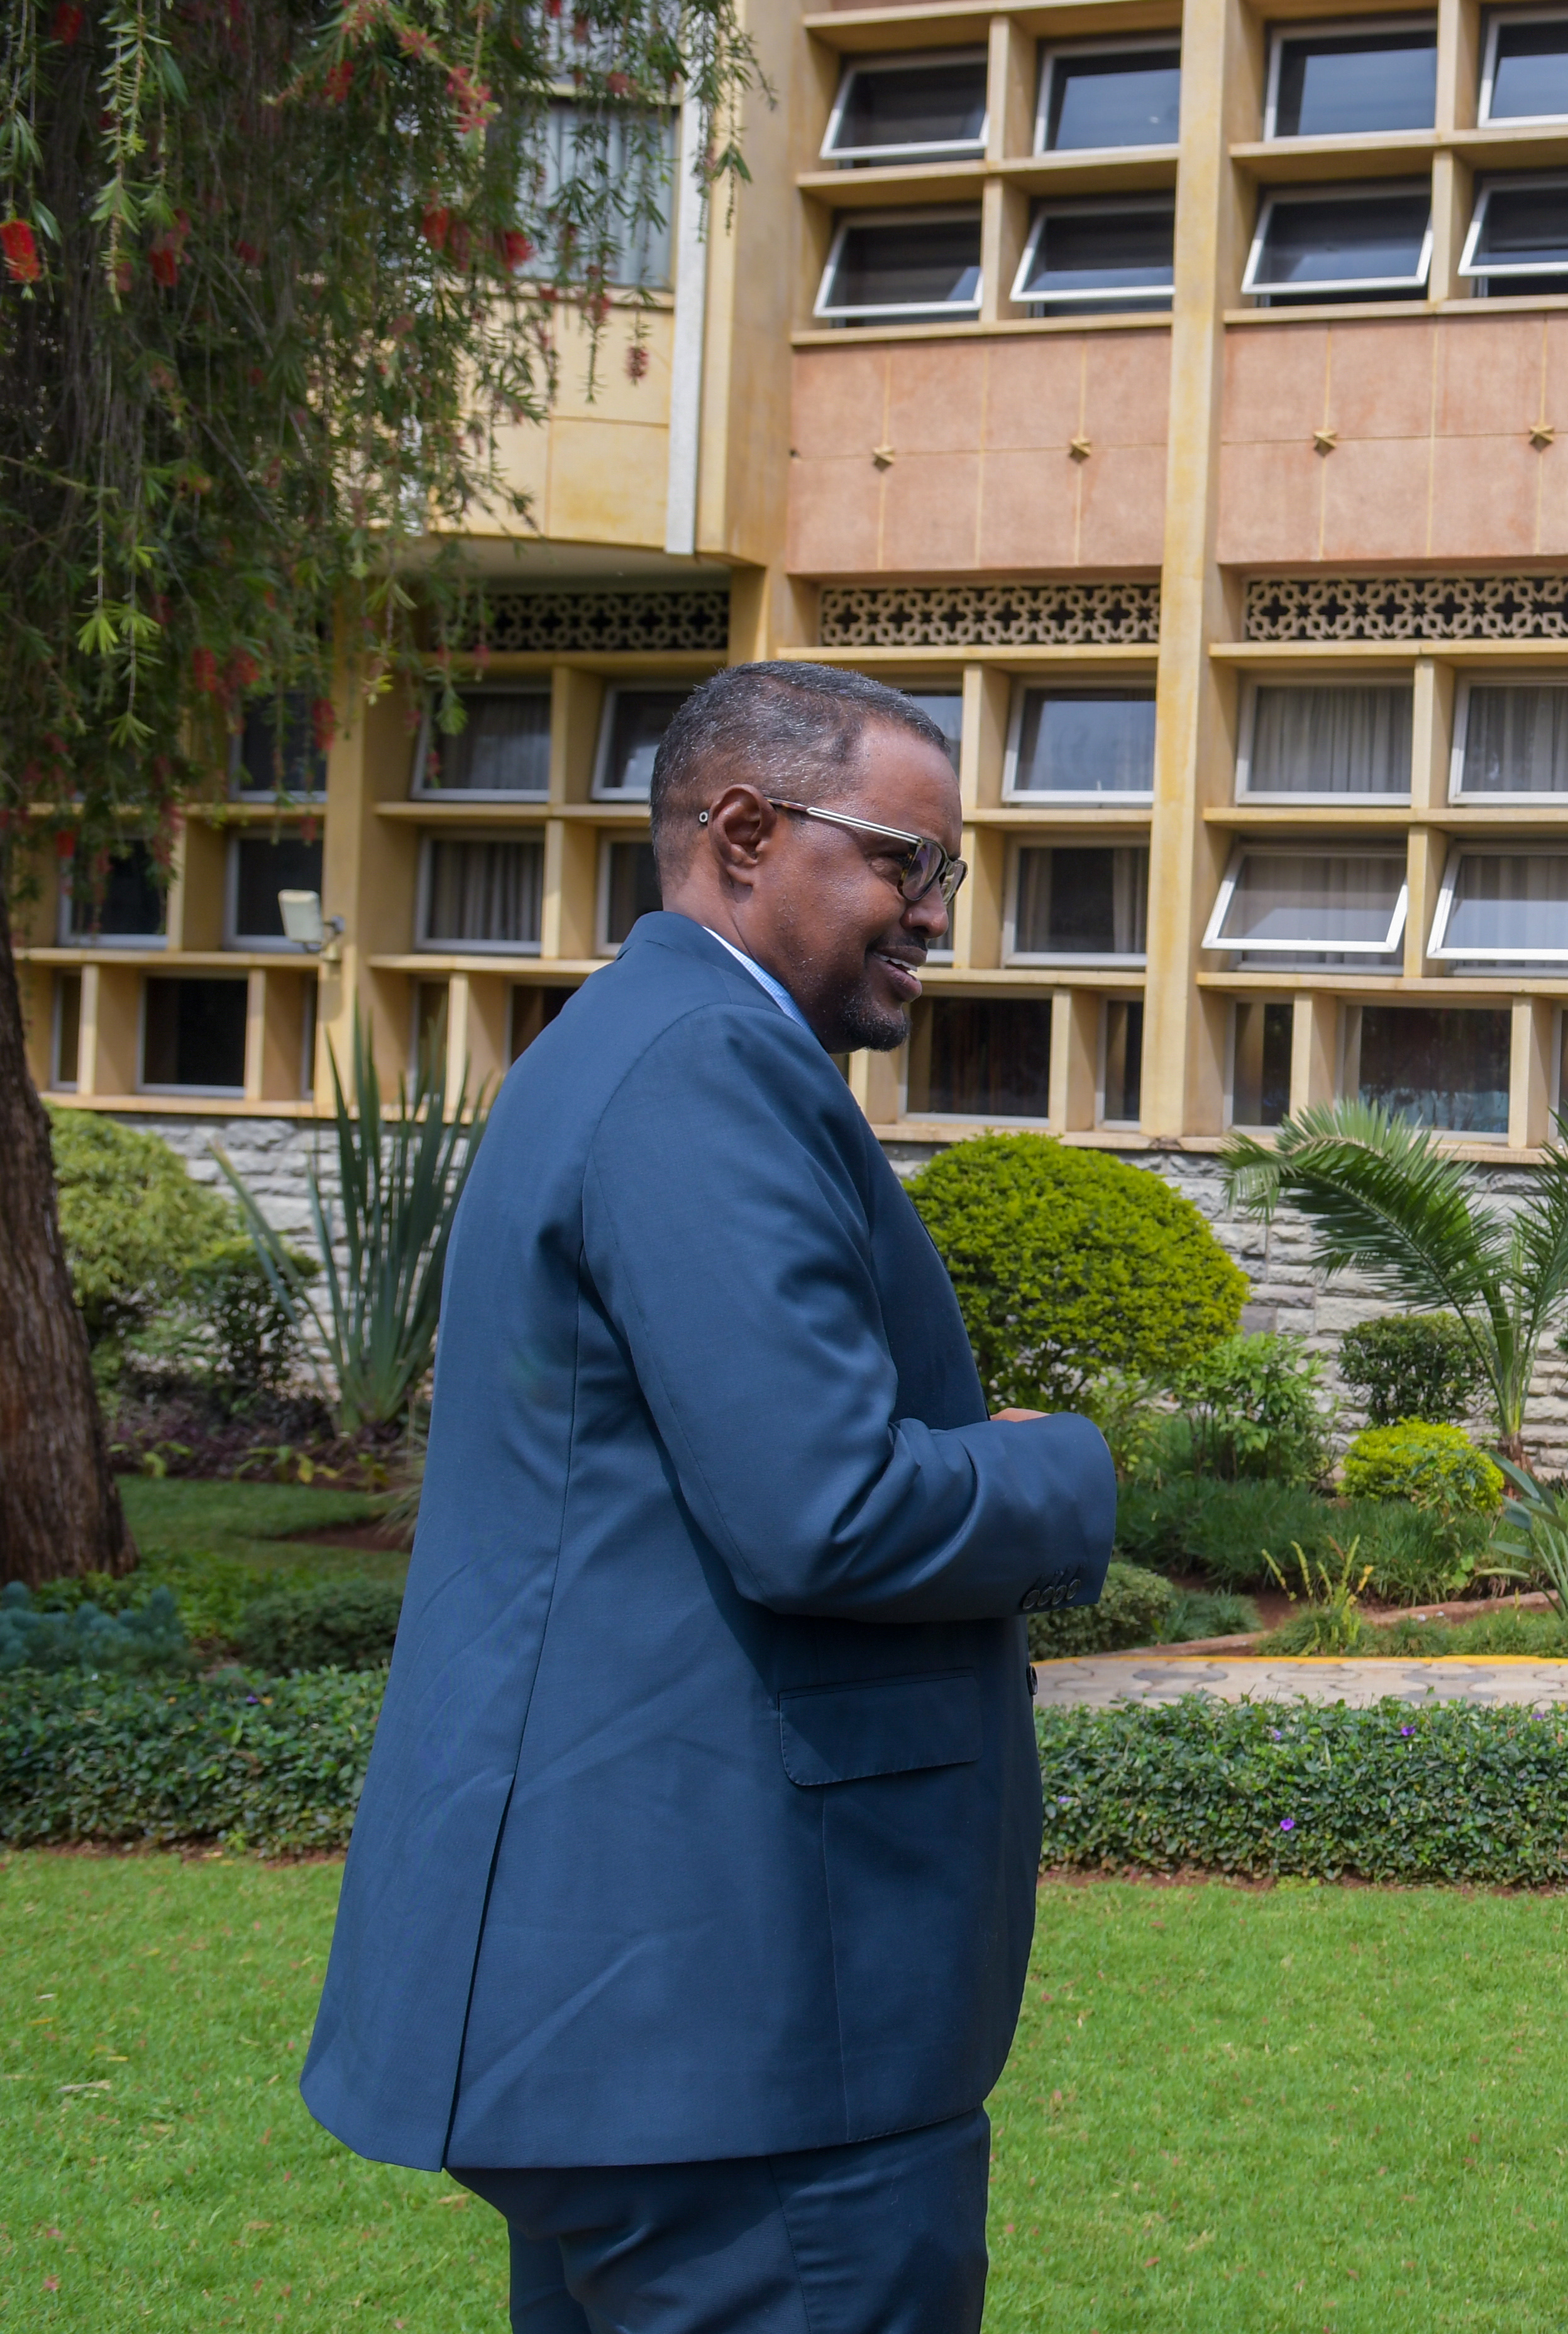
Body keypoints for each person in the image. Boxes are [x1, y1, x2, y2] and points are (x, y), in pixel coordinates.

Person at [302, 662, 1117, 2333]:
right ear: (744, 832)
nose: (934, 917)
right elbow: (820, 1509)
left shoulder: (625, 1043)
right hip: (748, 2040)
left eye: (944, 875)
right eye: (905, 864)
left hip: (657, 2033)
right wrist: (1062, 1464)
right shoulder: (705, 1069)